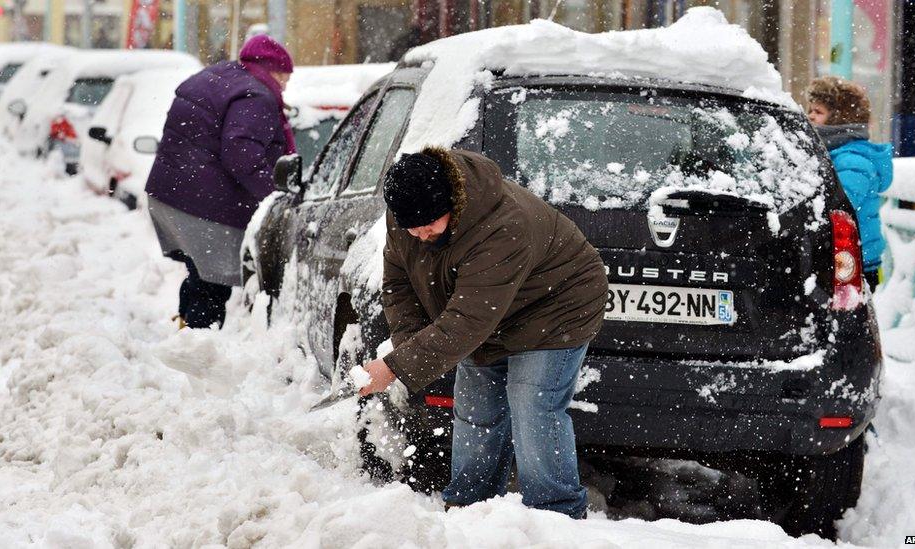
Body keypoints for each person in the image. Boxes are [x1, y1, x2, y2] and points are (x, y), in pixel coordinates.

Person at [358, 147, 608, 519]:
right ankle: (469, 508)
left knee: (533, 408)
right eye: (411, 226)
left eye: (428, 223)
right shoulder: (408, 216)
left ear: (451, 204)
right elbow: (399, 282)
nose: (420, 234)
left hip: (555, 308)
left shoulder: (502, 225)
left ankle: (556, 516)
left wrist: (394, 366)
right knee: (476, 409)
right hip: (490, 310)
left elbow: (468, 321)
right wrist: (410, 341)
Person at [145, 35, 296, 328]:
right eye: (285, 78)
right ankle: (200, 342)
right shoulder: (256, 96)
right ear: (272, 70)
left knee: (199, 276)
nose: (285, 86)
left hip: (176, 196)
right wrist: (274, 196)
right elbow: (242, 155)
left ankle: (187, 331)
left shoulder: (225, 78)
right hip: (206, 210)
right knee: (211, 285)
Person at [806, 76, 893, 292]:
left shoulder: (852, 160)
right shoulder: (837, 154)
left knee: (847, 322)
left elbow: (840, 205)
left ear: (839, 119)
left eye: (818, 111)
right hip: (849, 258)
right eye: (811, 110)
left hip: (855, 262)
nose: (810, 116)